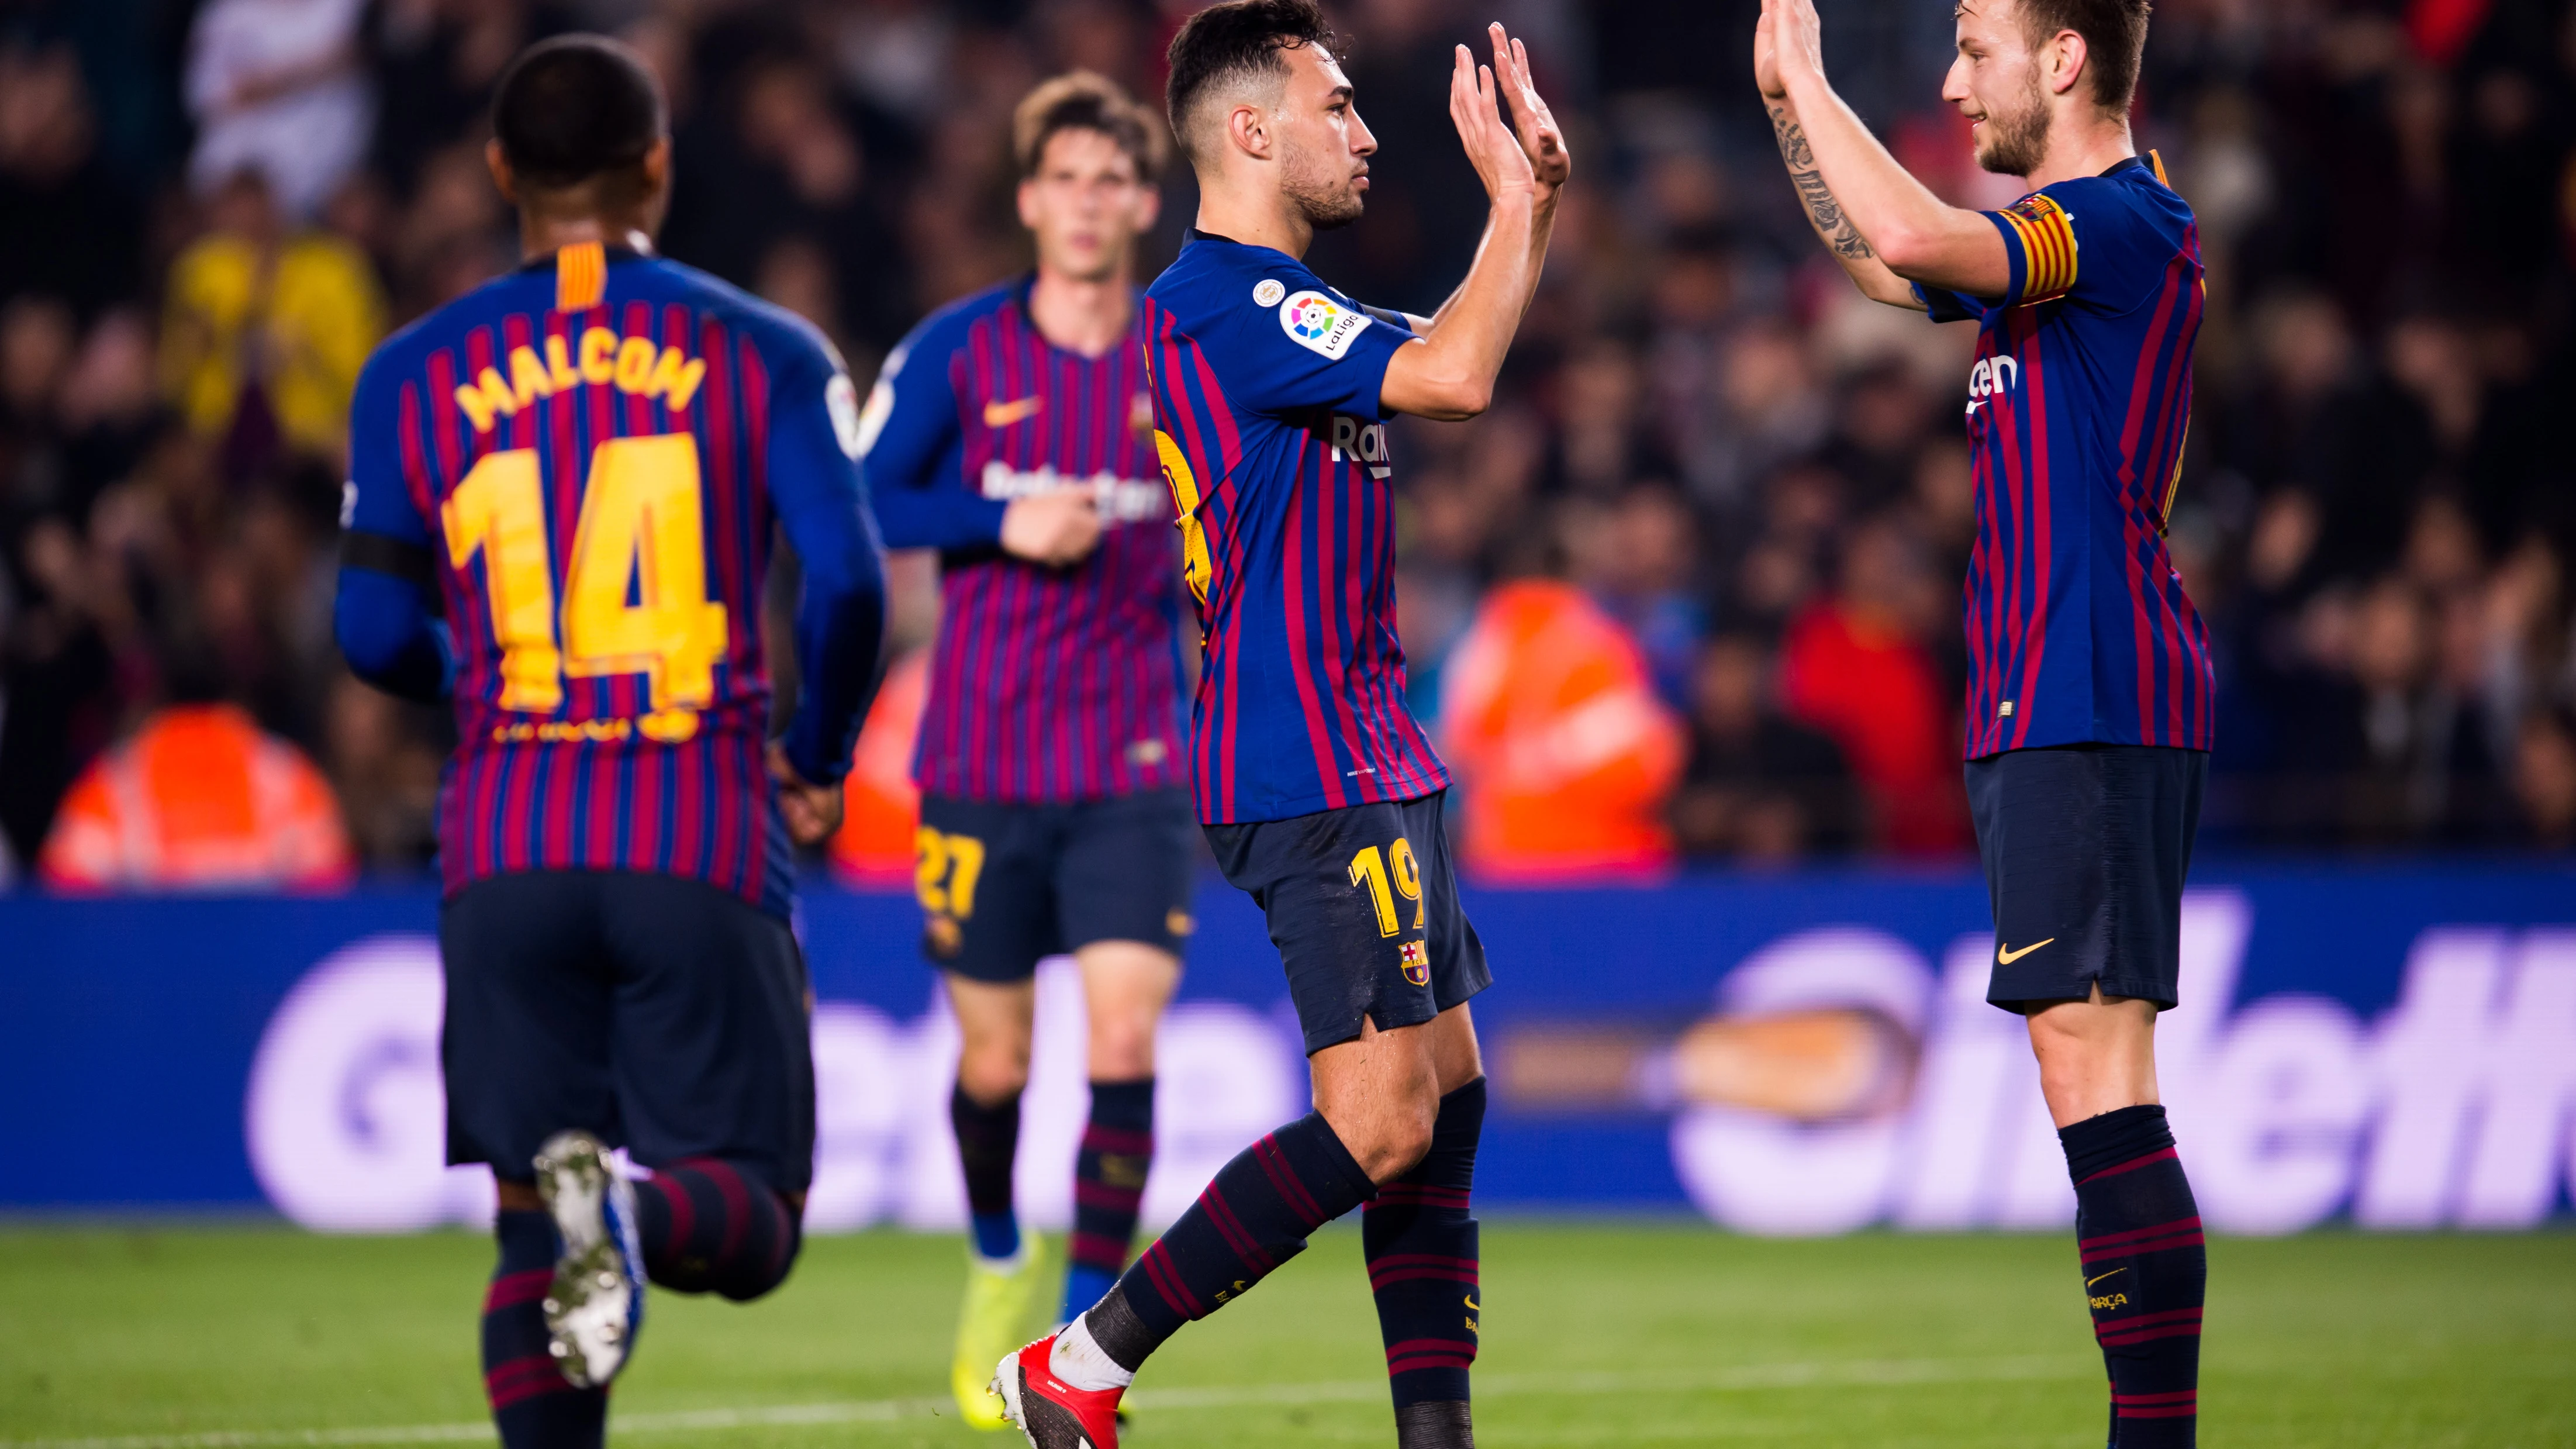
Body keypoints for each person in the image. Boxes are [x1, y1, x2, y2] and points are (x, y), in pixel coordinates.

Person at [992, 6, 1569, 1447]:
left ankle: (1434, 1435)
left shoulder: (1285, 316)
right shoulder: (1229, 306)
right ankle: (1085, 1359)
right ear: (1250, 130)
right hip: (1306, 755)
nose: (1366, 134)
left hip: (1370, 747)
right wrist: (1515, 201)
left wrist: (1531, 213)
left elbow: (1445, 348)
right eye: (1339, 106)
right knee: (1379, 1119)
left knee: (1442, 1095)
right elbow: (1457, 378)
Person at [332, 35, 885, 1449]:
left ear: (500, 169)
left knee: (531, 1224)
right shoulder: (763, 348)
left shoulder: (409, 372)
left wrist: (502, 678)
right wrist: (816, 754)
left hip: (505, 838)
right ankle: (630, 1211)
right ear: (658, 162)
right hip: (696, 827)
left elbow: (371, 632)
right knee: (752, 1222)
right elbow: (849, 585)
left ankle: (588, 1210)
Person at [1756, 0, 2212, 1443]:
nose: (1954, 84)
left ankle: (2153, 1429)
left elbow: (1907, 240)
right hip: (2059, 689)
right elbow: (1883, 269)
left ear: (2064, 58)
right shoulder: (2045, 259)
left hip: (2091, 680)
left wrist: (1816, 78)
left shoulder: (2118, 222)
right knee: (2091, 1061)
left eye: (1973, 48)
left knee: (2093, 1063)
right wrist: (1786, 102)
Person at [857, 71, 1194, 1428]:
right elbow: (869, 496)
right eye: (1065, 178)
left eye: (1112, 178)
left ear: (1143, 200)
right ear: (1028, 200)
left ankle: (1088, 1343)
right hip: (981, 758)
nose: (1088, 200)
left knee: (1123, 1036)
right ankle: (1000, 1256)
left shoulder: (1178, 350)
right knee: (994, 1065)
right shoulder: (955, 352)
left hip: (1134, 762)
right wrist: (1003, 522)